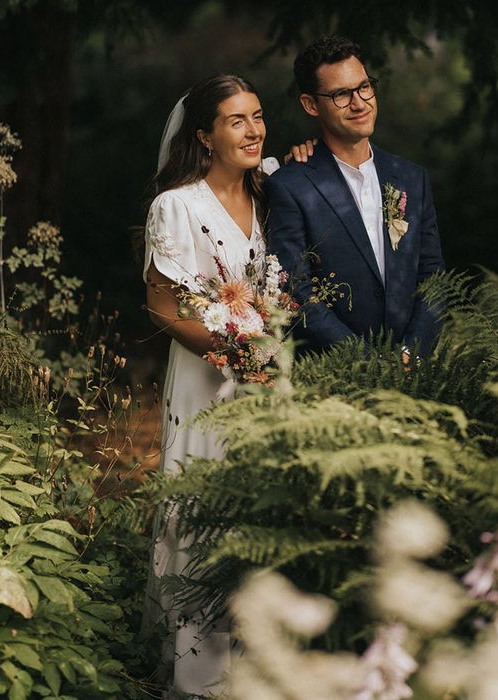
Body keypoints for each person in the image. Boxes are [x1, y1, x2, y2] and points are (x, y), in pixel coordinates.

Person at [141, 74, 278, 697]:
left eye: (257, 116)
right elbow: (164, 310)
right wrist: (228, 351)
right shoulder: (177, 205)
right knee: (202, 504)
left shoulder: (271, 195)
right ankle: (200, 674)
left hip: (267, 378)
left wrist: (264, 354)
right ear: (204, 135)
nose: (252, 130)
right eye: (235, 121)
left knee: (257, 509)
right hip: (204, 377)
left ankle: (257, 663)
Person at [266, 35, 445, 357]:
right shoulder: (290, 186)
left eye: (364, 87)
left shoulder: (411, 177)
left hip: (413, 373)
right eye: (340, 94)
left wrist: (412, 353)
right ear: (310, 104)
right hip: (334, 375)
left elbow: (433, 275)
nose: (359, 102)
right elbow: (294, 290)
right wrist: (367, 363)